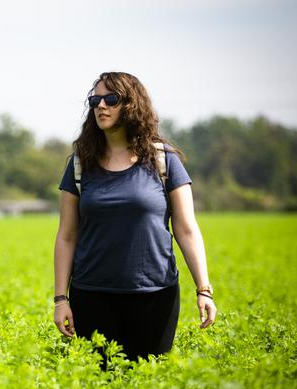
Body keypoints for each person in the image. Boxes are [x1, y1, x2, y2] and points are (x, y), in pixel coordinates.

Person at [53, 71, 217, 364]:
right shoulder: (80, 163)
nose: (101, 106)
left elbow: (187, 229)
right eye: (95, 100)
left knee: (148, 386)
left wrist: (203, 289)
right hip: (91, 296)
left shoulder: (163, 160)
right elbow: (66, 235)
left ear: (131, 104)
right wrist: (60, 299)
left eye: (111, 99)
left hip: (156, 296)